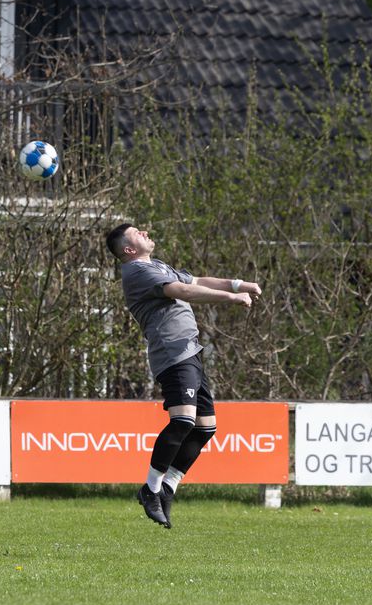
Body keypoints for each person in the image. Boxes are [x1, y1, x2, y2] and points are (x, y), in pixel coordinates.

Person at [105, 223, 261, 528]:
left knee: (205, 428)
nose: (146, 232)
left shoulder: (157, 265)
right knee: (183, 421)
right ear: (128, 249)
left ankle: (167, 487)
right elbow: (184, 291)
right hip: (172, 352)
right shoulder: (137, 271)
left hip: (190, 350)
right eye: (138, 232)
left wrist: (238, 284)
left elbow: (197, 279)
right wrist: (230, 299)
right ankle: (150, 489)